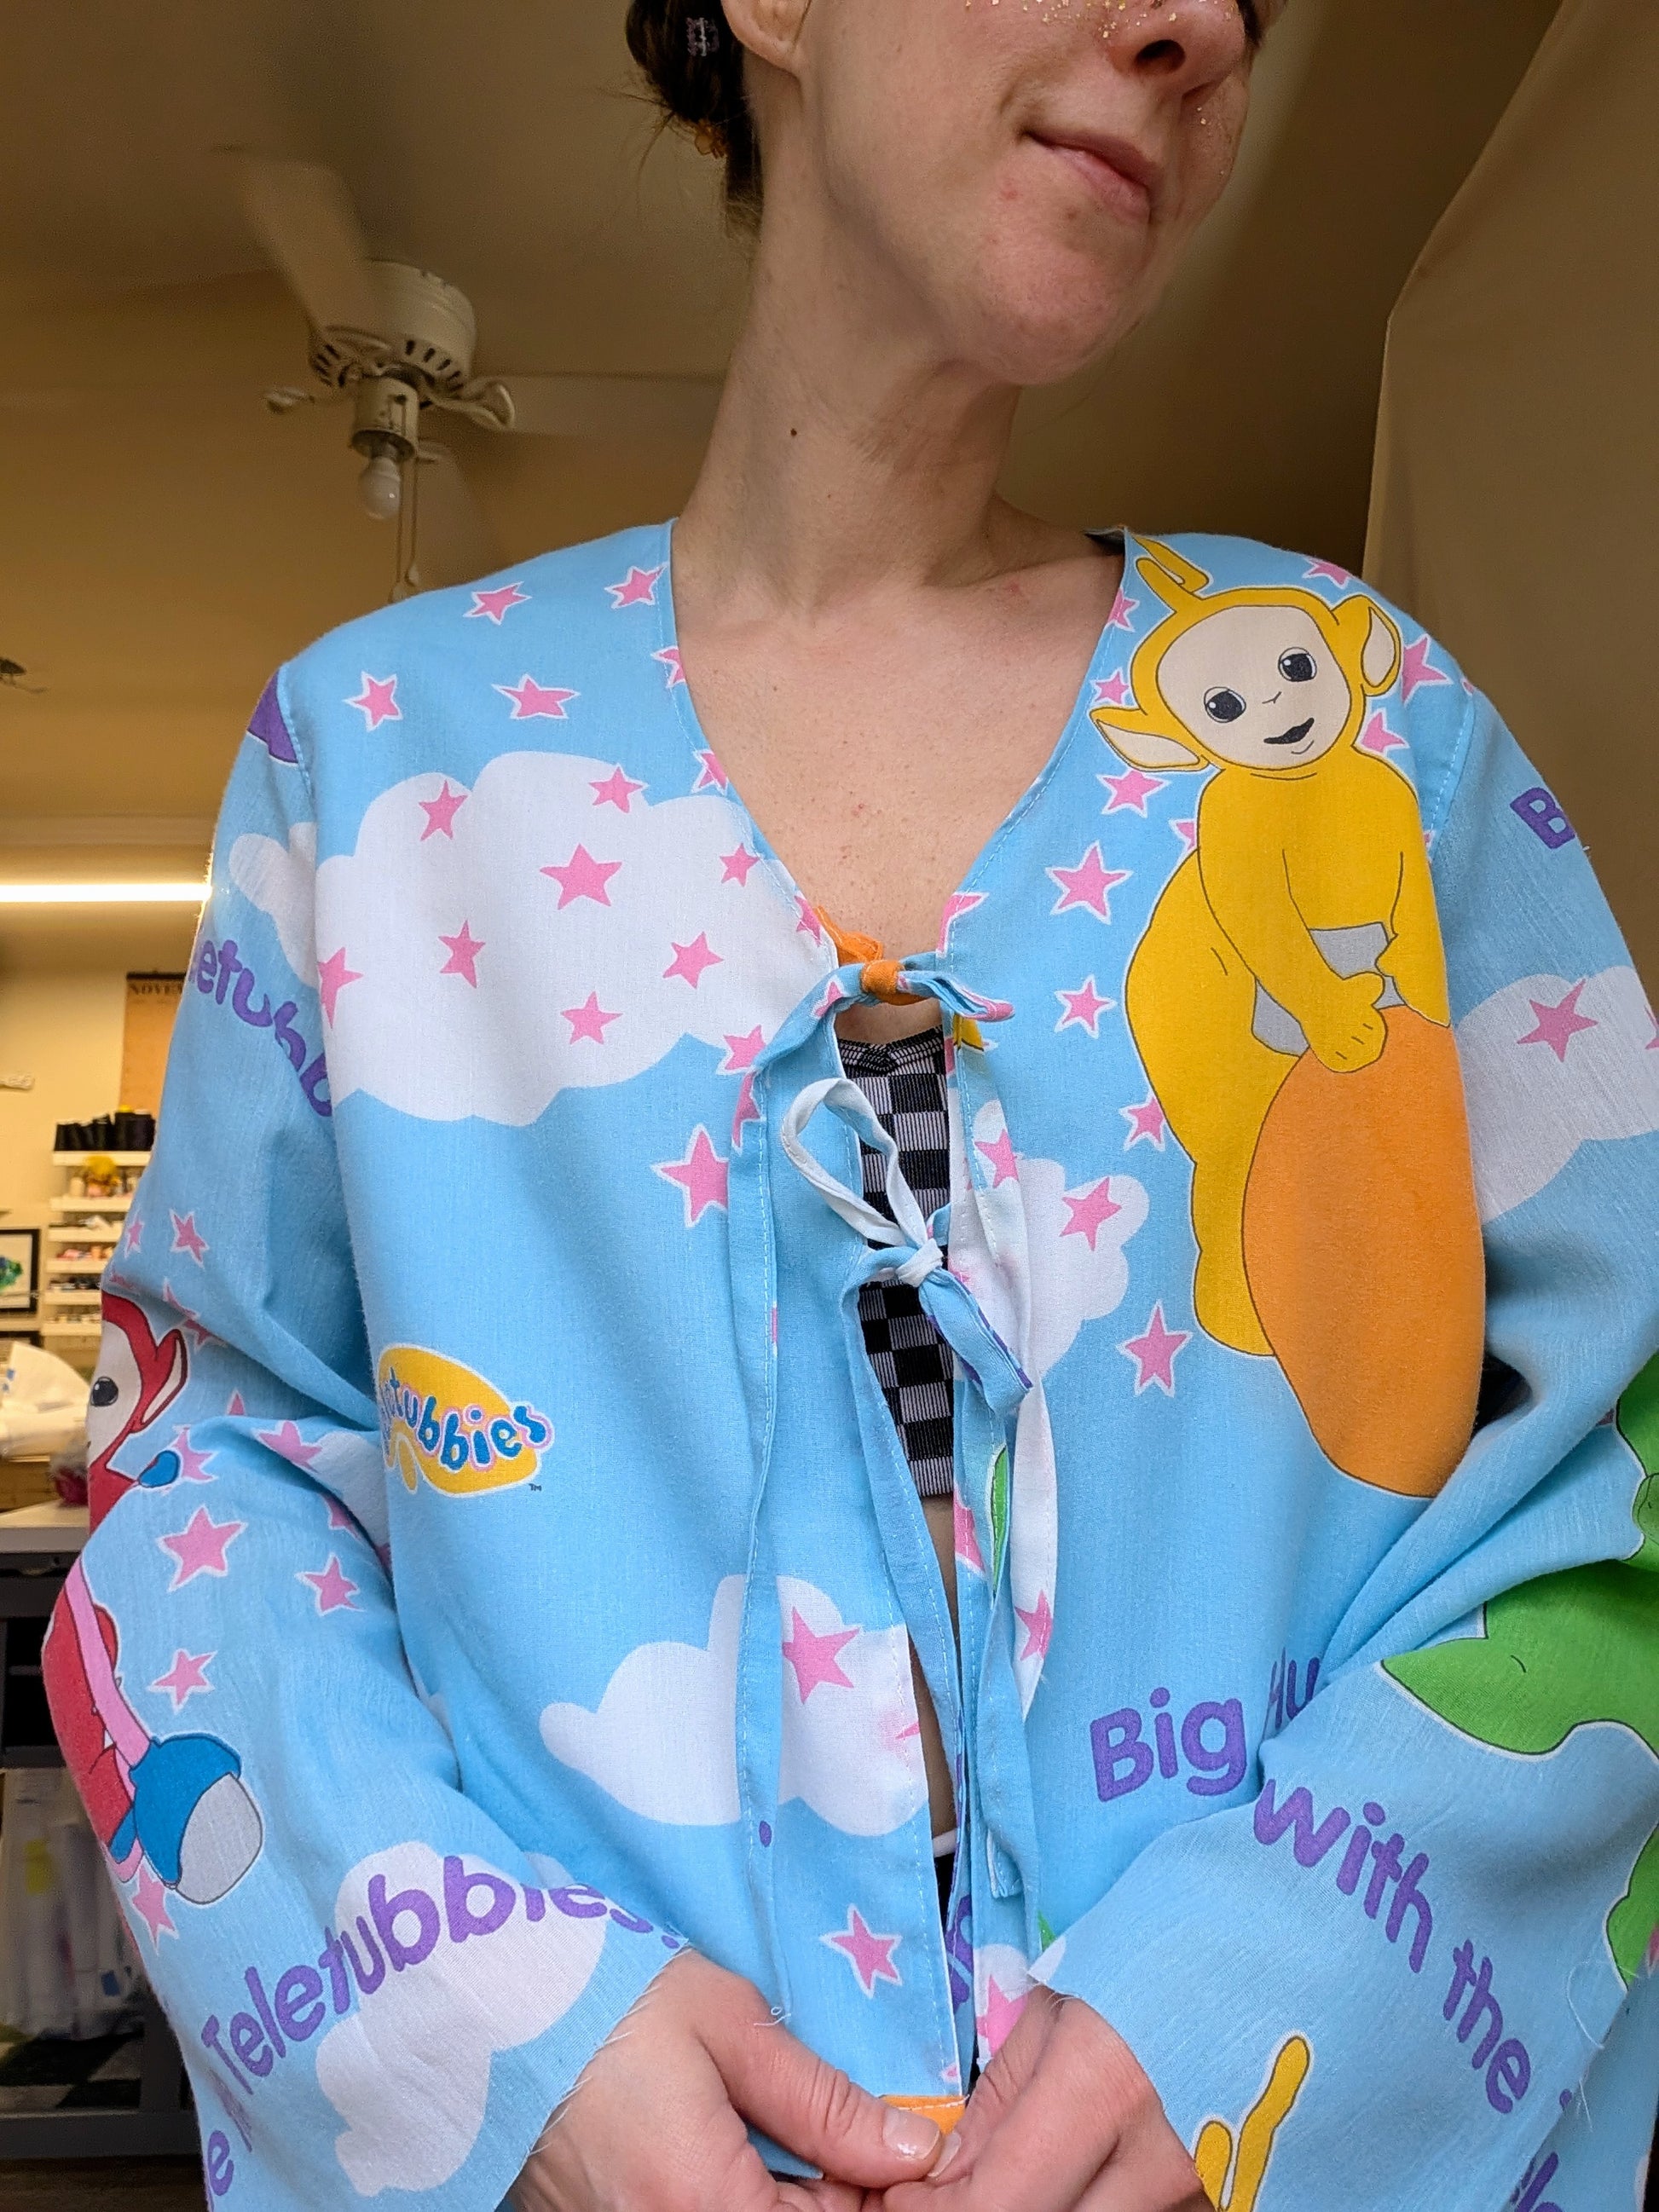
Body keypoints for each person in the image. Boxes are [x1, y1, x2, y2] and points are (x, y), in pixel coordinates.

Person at [47, 2, 1659, 2208]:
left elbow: (1622, 1479)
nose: (1200, 26)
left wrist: (1260, 2007)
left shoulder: (1345, 738)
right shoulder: (380, 778)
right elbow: (196, 1507)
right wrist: (506, 2038)